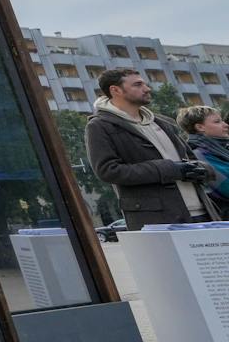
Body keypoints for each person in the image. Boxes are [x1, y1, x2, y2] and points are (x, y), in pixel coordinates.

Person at [86, 69, 219, 230]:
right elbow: (108, 170)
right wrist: (169, 169)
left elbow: (190, 157)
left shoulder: (163, 122)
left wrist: (202, 169)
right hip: (159, 219)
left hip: (203, 213)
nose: (147, 88)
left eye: (145, 83)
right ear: (116, 90)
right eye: (138, 84)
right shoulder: (99, 126)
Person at [179, 105, 229, 213]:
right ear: (200, 127)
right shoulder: (199, 154)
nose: (225, 125)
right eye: (217, 122)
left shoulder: (221, 150)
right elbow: (225, 186)